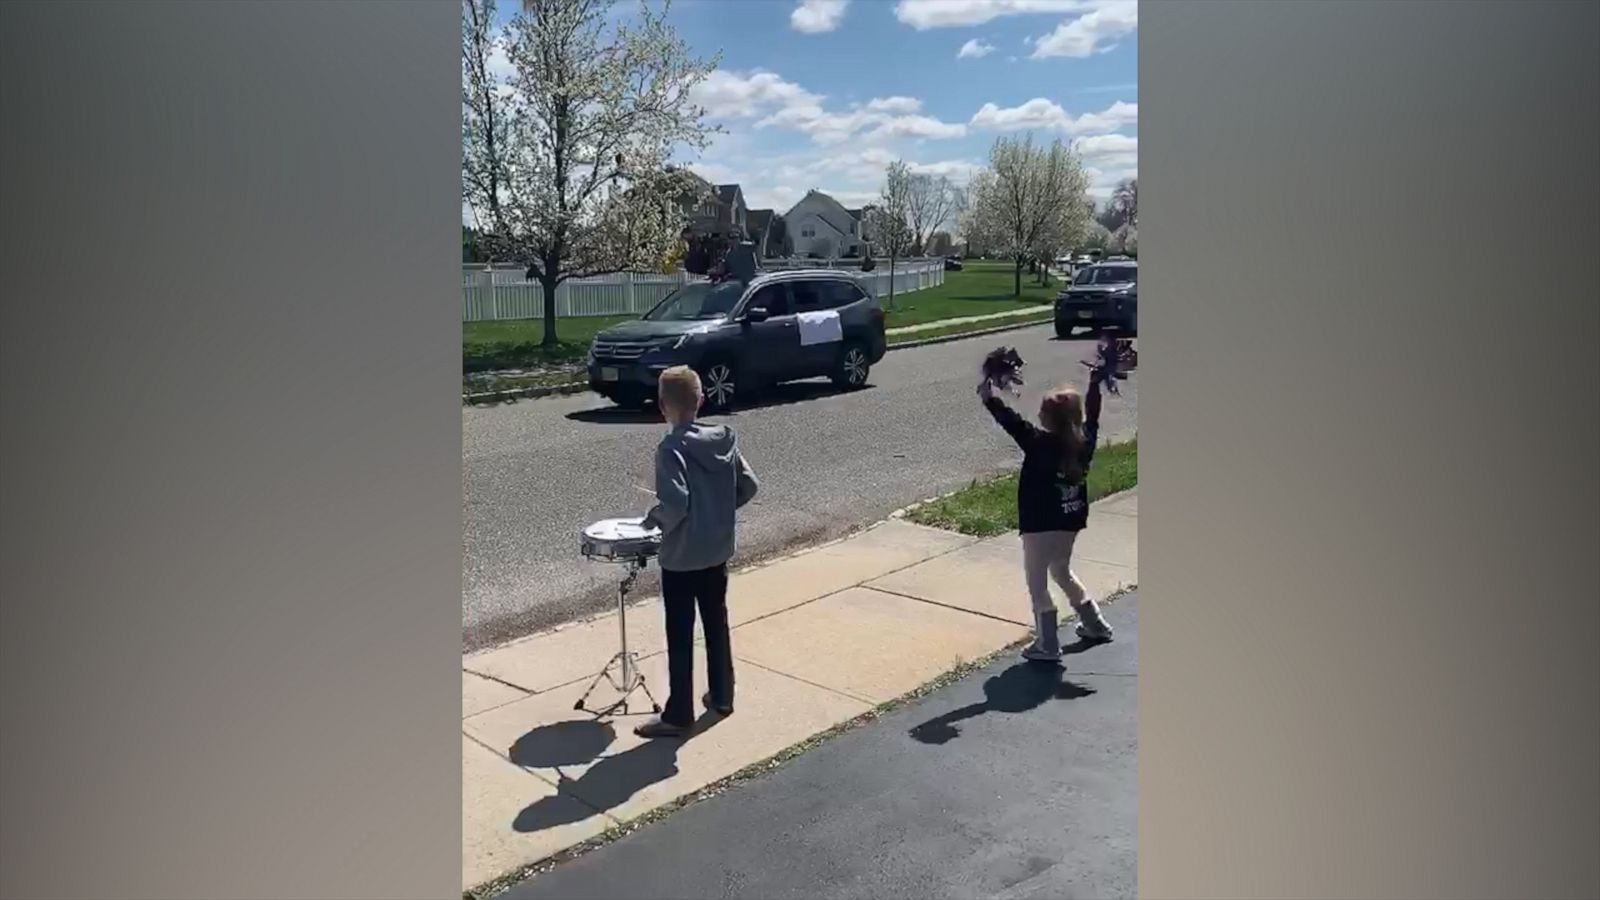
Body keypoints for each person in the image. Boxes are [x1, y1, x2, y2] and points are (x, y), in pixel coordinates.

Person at [635, 366, 760, 738]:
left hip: (682, 557)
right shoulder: (724, 439)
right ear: (702, 400)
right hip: (717, 551)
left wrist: (653, 518)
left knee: (680, 633)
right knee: (716, 623)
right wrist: (717, 513)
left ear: (662, 407)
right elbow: (749, 486)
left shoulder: (671, 449)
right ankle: (722, 696)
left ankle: (679, 714)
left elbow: (675, 505)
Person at [977, 364, 1115, 663]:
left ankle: (1047, 645)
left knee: (1037, 581)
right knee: (1062, 569)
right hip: (1070, 518)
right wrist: (1093, 385)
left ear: (1048, 419)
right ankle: (1095, 624)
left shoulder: (1038, 443)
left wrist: (989, 398)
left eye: (1042, 411)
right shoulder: (1085, 442)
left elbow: (1011, 422)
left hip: (1039, 523)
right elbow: (1093, 414)